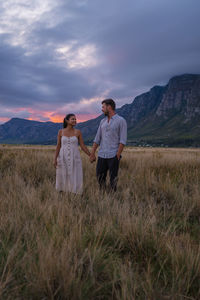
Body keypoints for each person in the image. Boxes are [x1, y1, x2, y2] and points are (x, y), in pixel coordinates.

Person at [90, 99, 127, 192]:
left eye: (103, 107)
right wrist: (92, 153)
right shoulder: (102, 121)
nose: (102, 109)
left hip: (113, 155)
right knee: (99, 177)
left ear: (109, 107)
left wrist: (117, 155)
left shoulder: (121, 121)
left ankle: (113, 198)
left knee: (113, 179)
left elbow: (122, 140)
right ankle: (103, 195)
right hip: (102, 154)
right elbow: (97, 138)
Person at [54, 113, 91, 194]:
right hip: (62, 157)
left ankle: (75, 192)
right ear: (67, 121)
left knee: (75, 174)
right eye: (73, 119)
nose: (75, 120)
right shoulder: (61, 132)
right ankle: (63, 192)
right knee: (63, 174)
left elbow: (82, 146)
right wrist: (55, 159)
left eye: (75, 119)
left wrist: (90, 155)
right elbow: (58, 146)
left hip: (75, 157)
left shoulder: (78, 132)